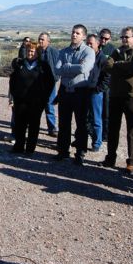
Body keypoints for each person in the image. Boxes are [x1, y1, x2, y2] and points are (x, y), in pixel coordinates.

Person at [103, 26, 133, 173]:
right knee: (113, 128)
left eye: (127, 37)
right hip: (116, 95)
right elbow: (107, 65)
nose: (124, 40)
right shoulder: (117, 52)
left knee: (132, 130)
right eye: (122, 37)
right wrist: (122, 66)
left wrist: (118, 66)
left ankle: (132, 161)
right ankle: (110, 158)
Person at [54, 24, 95, 164]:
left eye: (77, 33)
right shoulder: (64, 51)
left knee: (81, 124)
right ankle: (63, 151)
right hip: (65, 92)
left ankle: (80, 153)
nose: (74, 35)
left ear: (83, 36)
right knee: (64, 123)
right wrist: (75, 68)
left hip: (80, 92)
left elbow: (85, 68)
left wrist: (68, 67)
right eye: (73, 32)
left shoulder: (88, 52)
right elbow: (57, 69)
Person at [9, 41, 53, 155]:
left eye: (32, 51)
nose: (30, 53)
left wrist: (45, 97)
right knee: (20, 124)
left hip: (36, 102)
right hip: (21, 101)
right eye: (28, 51)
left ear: (37, 53)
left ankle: (30, 149)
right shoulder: (20, 64)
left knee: (34, 126)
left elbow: (51, 82)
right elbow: (12, 80)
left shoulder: (44, 66)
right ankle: (18, 146)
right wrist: (14, 95)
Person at [86, 34, 110, 152]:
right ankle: (82, 139)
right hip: (84, 90)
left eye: (91, 43)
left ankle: (97, 142)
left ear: (97, 44)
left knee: (96, 118)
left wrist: (99, 89)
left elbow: (107, 76)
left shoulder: (102, 58)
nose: (89, 45)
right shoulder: (85, 56)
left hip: (95, 92)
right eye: (88, 43)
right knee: (84, 117)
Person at [37, 32, 60, 137]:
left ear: (48, 41)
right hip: (37, 83)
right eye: (39, 39)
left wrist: (55, 78)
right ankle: (33, 126)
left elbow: (58, 67)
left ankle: (52, 128)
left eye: (43, 39)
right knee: (36, 106)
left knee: (49, 105)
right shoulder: (36, 51)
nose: (40, 41)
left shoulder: (54, 52)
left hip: (50, 84)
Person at [99, 28, 115, 141]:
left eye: (106, 38)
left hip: (107, 85)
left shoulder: (113, 50)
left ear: (110, 39)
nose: (103, 40)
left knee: (106, 110)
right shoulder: (95, 47)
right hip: (95, 82)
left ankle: (106, 134)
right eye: (102, 37)